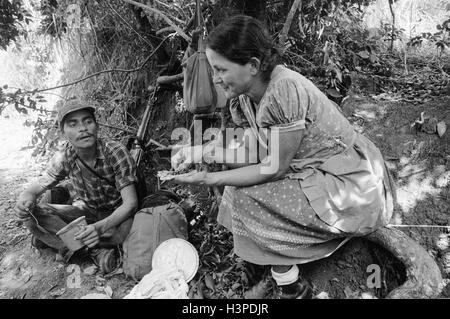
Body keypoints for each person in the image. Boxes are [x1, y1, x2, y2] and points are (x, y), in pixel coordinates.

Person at [170, 15, 395, 299]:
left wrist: (208, 177)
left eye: (220, 69)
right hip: (309, 169)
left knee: (241, 195)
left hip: (349, 181)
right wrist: (200, 151)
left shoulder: (283, 91)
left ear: (252, 66)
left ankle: (291, 285)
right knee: (234, 179)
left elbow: (273, 168)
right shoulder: (247, 95)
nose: (214, 78)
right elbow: (256, 146)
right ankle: (262, 261)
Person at [14, 99, 139, 274]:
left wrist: (99, 228)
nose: (83, 128)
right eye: (73, 124)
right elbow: (38, 186)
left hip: (117, 216)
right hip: (86, 214)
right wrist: (25, 199)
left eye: (88, 121)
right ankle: (92, 249)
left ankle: (68, 244)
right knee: (31, 214)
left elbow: (130, 204)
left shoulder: (115, 152)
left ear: (96, 126)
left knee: (122, 235)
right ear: (64, 133)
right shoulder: (65, 156)